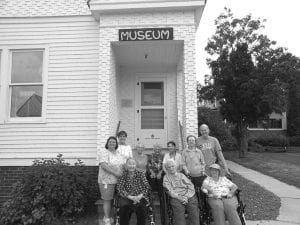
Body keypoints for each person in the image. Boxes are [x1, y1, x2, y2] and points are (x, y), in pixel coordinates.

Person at [97, 136, 126, 225]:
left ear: (116, 144)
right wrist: (116, 173)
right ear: (107, 143)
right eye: (110, 142)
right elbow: (103, 165)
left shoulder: (118, 153)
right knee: (107, 200)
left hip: (118, 181)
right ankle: (107, 219)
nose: (112, 143)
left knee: (118, 200)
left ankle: (115, 218)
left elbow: (123, 165)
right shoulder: (104, 152)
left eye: (114, 142)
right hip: (107, 181)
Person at [163, 160, 200, 225]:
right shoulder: (166, 178)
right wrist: (179, 197)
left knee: (193, 211)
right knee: (179, 212)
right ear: (166, 169)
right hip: (176, 197)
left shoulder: (182, 175)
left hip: (189, 195)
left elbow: (190, 186)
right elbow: (169, 190)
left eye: (172, 166)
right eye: (169, 167)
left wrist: (186, 196)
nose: (171, 168)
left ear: (176, 167)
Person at [116, 157, 151, 225]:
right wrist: (131, 197)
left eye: (133, 164)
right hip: (127, 197)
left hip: (140, 196)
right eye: (129, 164)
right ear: (126, 165)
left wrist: (139, 196)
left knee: (141, 207)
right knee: (124, 206)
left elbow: (147, 186)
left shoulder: (140, 174)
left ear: (136, 165)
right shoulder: (123, 174)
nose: (131, 166)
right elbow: (120, 188)